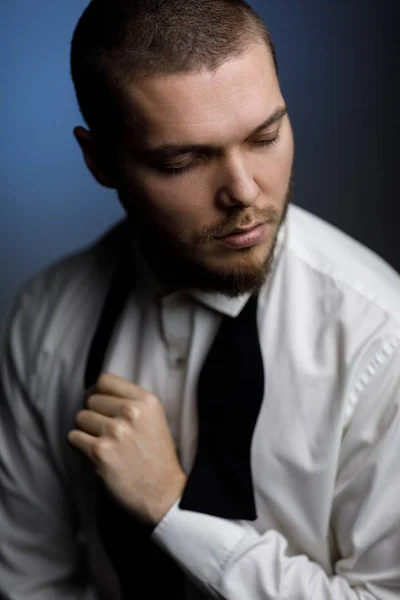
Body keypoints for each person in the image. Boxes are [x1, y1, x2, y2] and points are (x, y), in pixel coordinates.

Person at [1, 0, 400, 598]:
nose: (243, 191)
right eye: (182, 161)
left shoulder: (380, 339)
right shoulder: (45, 323)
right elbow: (31, 583)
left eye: (266, 136)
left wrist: (172, 511)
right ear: (100, 161)